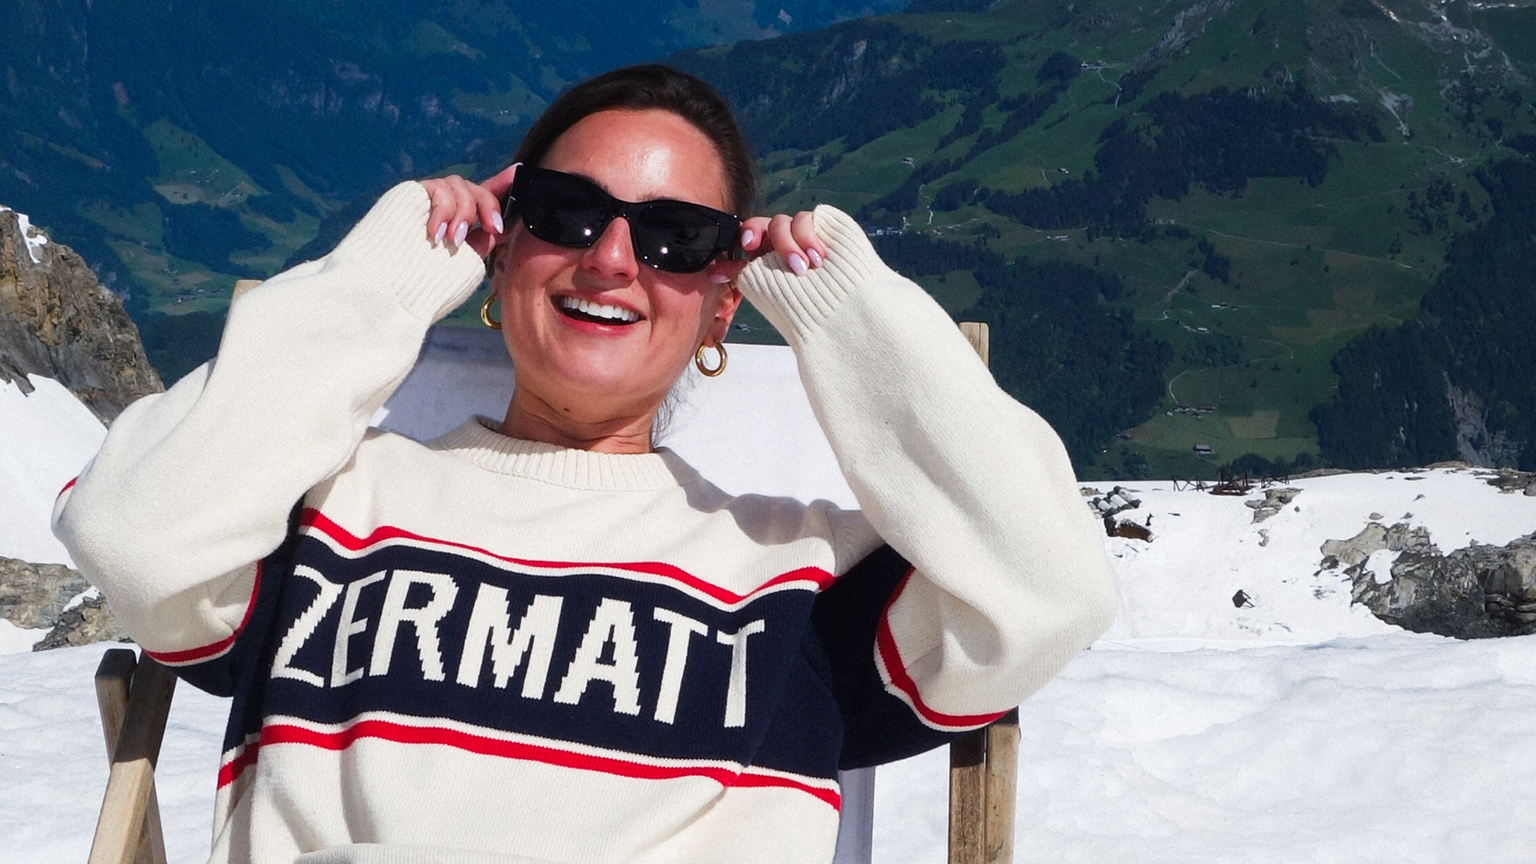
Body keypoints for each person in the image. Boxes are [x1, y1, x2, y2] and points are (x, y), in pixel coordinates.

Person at [54, 64, 1117, 864]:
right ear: (502, 247)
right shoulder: (332, 509)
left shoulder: (796, 579)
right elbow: (132, 531)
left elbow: (1048, 586)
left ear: (723, 298)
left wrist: (841, 302)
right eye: (565, 213)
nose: (612, 256)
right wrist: (385, 275)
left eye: (675, 238)